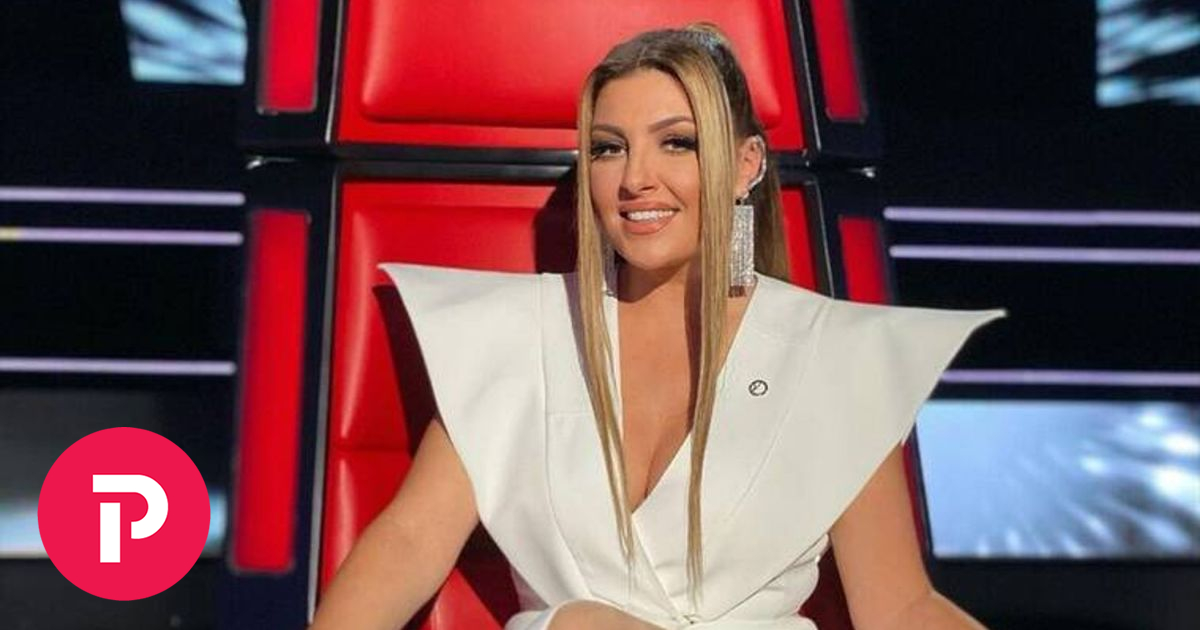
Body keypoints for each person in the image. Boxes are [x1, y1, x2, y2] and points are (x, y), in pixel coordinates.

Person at [311, 25, 1003, 630]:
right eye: (608, 149)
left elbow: (901, 608)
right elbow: (410, 541)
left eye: (677, 143)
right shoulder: (516, 336)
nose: (635, 178)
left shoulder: (835, 357)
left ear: (747, 165)